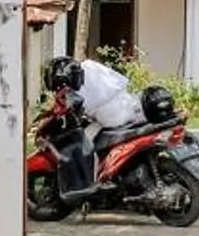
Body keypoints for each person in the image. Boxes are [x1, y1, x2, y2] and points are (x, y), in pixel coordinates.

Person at [53, 50, 145, 199]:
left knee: (86, 141)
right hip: (125, 107)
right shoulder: (90, 67)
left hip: (113, 116)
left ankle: (94, 181)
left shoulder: (81, 82)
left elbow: (84, 105)